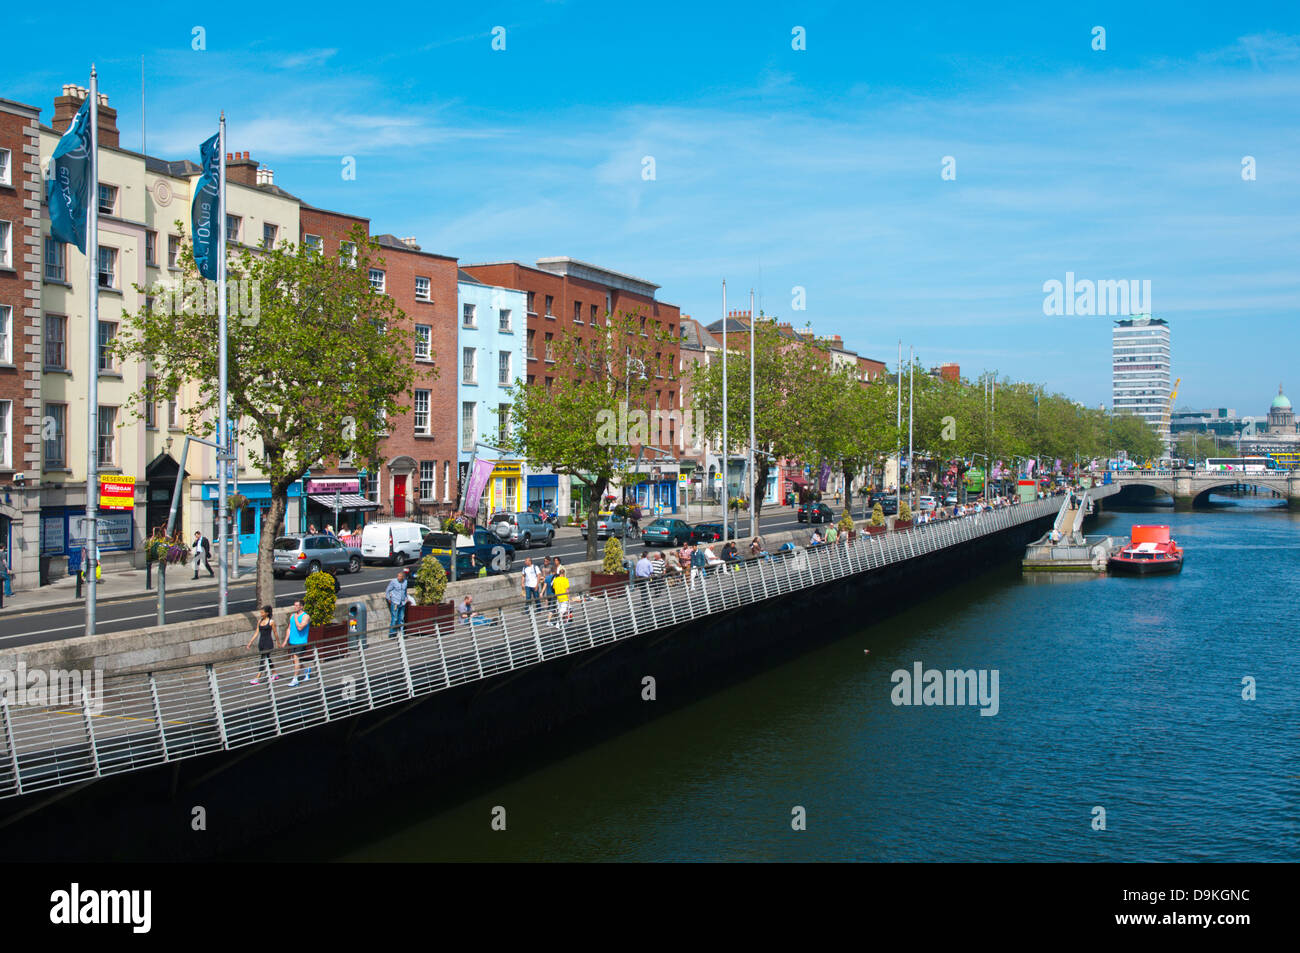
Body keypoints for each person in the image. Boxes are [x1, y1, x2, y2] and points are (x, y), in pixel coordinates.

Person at [281, 600, 311, 686]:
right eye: (294, 605)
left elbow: (300, 627)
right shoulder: (292, 616)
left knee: (296, 658)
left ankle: (295, 679)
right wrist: (285, 641)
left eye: (297, 605)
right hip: (293, 641)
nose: (295, 607)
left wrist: (296, 619)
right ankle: (306, 670)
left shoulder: (306, 616)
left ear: (301, 607)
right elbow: (289, 629)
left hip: (301, 641)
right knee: (294, 661)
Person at [247, 605, 279, 685]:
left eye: (262, 612)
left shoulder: (271, 622)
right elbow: (257, 632)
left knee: (263, 658)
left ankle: (257, 677)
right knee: (267, 658)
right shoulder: (260, 621)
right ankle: (274, 673)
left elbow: (275, 632)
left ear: (267, 613)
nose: (261, 614)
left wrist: (278, 642)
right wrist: (250, 642)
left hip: (268, 643)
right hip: (261, 643)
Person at [385, 568, 410, 638]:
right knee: (395, 618)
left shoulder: (405, 582)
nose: (399, 578)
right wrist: (389, 598)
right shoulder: (393, 582)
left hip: (402, 602)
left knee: (401, 618)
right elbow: (387, 590)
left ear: (403, 577)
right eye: (398, 576)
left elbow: (405, 591)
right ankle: (392, 633)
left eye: (400, 577)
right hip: (395, 602)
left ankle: (402, 633)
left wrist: (406, 599)